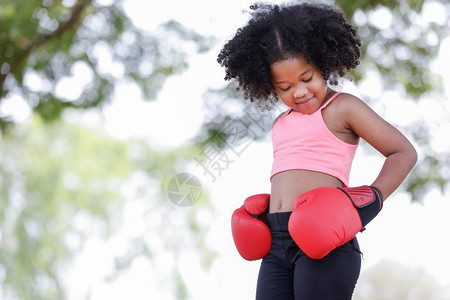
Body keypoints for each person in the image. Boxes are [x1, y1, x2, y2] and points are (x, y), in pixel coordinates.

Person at [218, 2, 418, 300]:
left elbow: (403, 152)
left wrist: (367, 202)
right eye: (284, 87)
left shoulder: (343, 108)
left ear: (323, 64)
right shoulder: (280, 123)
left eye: (307, 78)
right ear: (269, 87)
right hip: (276, 243)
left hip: (325, 239)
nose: (298, 92)